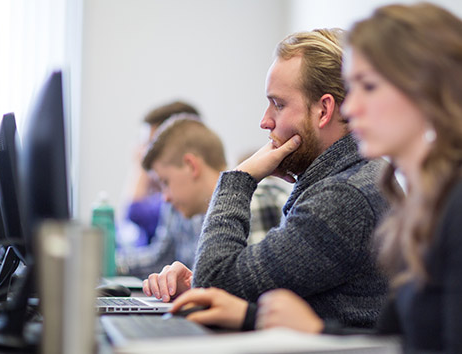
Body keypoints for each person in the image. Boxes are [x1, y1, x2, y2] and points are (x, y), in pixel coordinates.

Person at [235, 3, 462, 353]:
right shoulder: (428, 201)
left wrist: (316, 334)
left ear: (426, 91)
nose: (351, 108)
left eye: (368, 86)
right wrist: (275, 321)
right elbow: (397, 341)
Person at [143, 28, 393, 329]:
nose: (265, 121)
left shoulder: (344, 196)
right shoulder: (351, 177)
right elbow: (261, 291)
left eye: (279, 104)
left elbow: (217, 283)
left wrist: (239, 177)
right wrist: (198, 285)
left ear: (324, 110)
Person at [119, 116, 289, 277]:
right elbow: (159, 259)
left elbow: (252, 289)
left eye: (165, 182)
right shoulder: (184, 210)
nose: (165, 197)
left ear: (191, 166)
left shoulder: (253, 199)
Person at [119, 100, 200, 248]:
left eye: (150, 144)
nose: (144, 151)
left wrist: (141, 166)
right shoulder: (168, 196)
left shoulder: (179, 197)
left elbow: (135, 212)